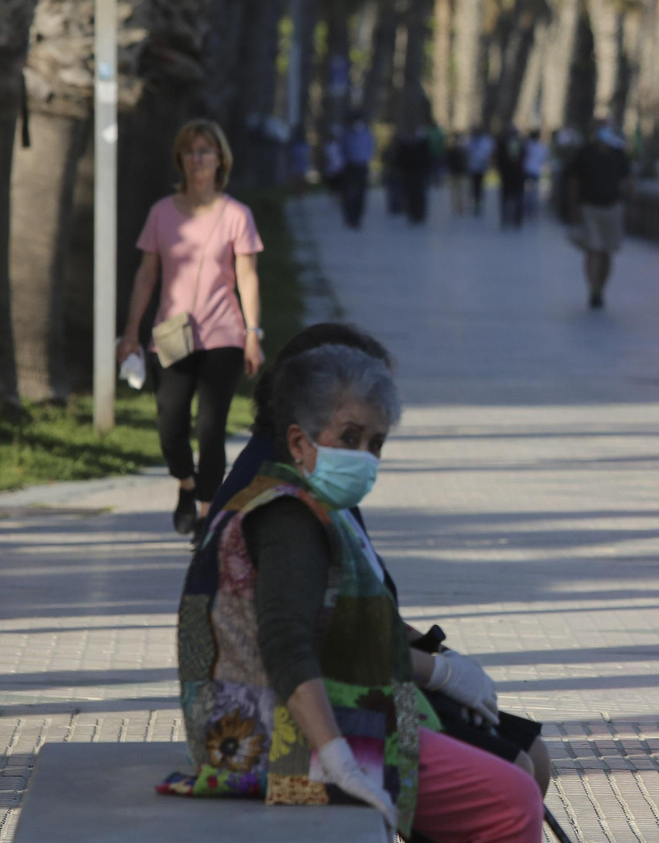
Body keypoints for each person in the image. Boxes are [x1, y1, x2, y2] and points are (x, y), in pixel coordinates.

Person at [160, 346, 544, 843]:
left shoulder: (302, 500)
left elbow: (345, 635)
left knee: (511, 778)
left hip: (298, 716)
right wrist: (340, 761)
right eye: (349, 437)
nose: (364, 456)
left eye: (375, 443)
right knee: (509, 799)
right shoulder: (288, 517)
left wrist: (444, 673)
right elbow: (286, 644)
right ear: (298, 440)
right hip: (276, 739)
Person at [117, 119, 265, 538]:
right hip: (171, 334)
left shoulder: (237, 215)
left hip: (224, 335)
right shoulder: (161, 213)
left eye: (205, 151)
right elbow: (146, 275)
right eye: (190, 151)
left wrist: (253, 334)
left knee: (210, 427)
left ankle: (206, 513)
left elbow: (248, 276)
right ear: (179, 160)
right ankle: (186, 483)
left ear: (221, 160)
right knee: (170, 424)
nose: (197, 158)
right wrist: (131, 332)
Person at [566, 126, 634, 309]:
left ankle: (601, 288)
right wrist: (573, 207)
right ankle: (593, 288)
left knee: (606, 252)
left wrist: (628, 202)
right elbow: (574, 179)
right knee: (594, 249)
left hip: (612, 208)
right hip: (589, 207)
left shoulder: (618, 154)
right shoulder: (585, 153)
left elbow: (628, 180)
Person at [342, 112, 375, 228]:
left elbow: (370, 149)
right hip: (350, 166)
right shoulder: (346, 134)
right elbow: (343, 149)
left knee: (361, 193)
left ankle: (357, 217)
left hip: (362, 166)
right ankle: (349, 216)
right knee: (349, 193)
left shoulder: (367, 134)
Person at [496, 128, 527, 228]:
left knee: (506, 198)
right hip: (518, 175)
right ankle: (517, 219)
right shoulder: (521, 144)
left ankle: (506, 218)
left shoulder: (502, 145)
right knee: (518, 197)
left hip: (507, 175)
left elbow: (499, 160)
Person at [467, 125, 495, 216]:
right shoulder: (471, 141)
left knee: (479, 187)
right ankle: (475, 203)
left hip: (481, 167)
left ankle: (479, 204)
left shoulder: (485, 141)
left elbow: (489, 153)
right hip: (473, 167)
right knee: (474, 187)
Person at [521, 130, 548, 218]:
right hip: (535, 171)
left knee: (527, 191)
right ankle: (531, 209)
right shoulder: (541, 147)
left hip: (527, 170)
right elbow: (543, 159)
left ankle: (527, 208)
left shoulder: (527, 145)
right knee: (534, 191)